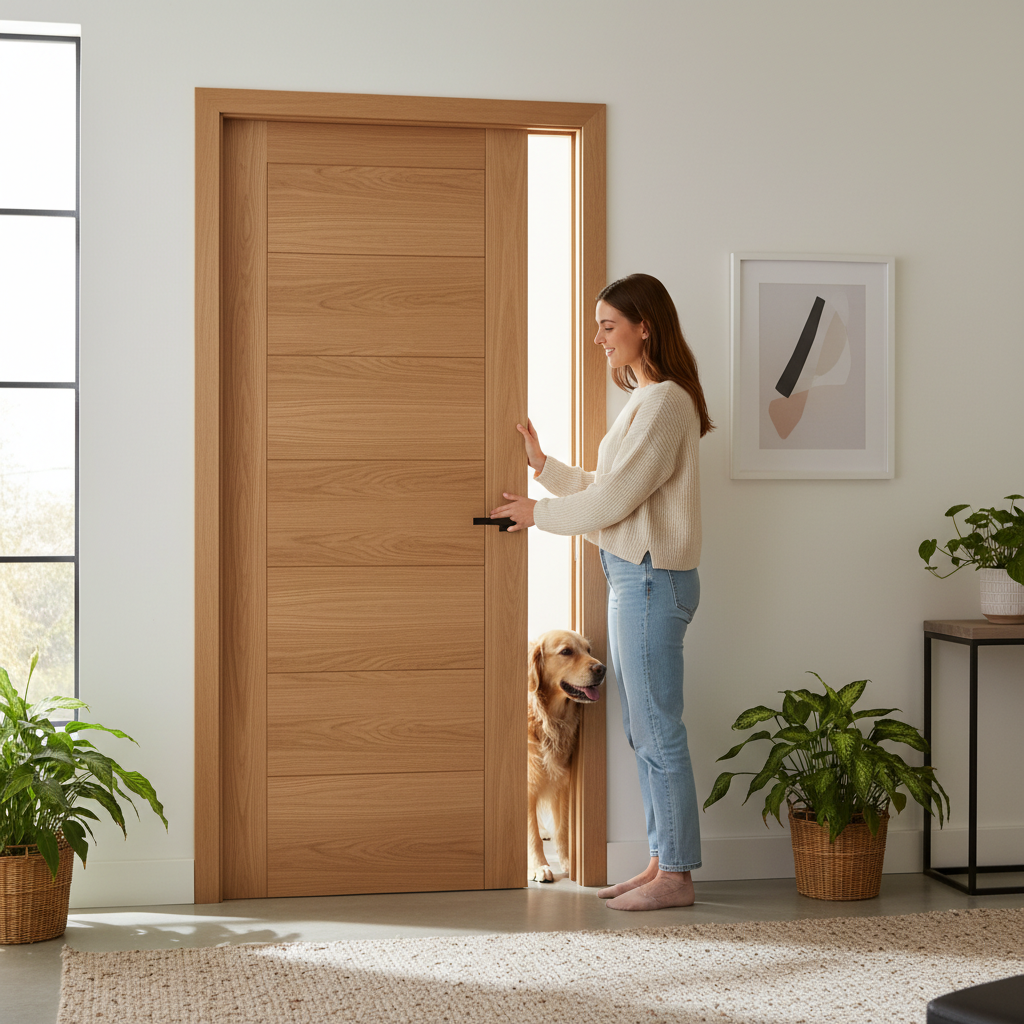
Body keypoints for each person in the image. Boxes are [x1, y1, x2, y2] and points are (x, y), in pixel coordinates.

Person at [490, 273, 713, 911]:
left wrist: (538, 515)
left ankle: (676, 874)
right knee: (646, 731)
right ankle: (661, 863)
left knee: (657, 730)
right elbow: (606, 485)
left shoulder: (666, 401)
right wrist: (545, 468)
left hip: (649, 577)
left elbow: (616, 500)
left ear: (646, 326)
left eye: (609, 325)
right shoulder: (650, 402)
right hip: (639, 576)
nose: (600, 337)